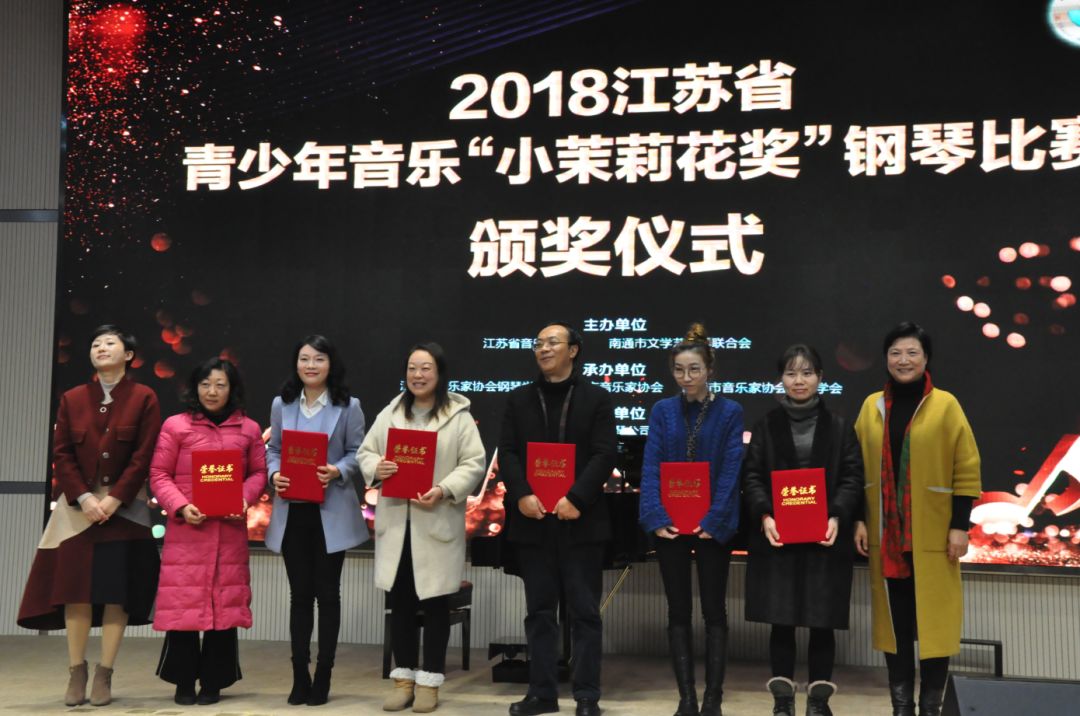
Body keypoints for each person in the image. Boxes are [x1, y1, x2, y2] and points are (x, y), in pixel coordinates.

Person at [18, 325, 161, 707]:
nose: (101, 348)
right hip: (76, 510)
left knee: (117, 594)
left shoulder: (144, 397)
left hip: (124, 509)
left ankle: (105, 672)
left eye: (110, 343)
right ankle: (76, 670)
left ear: (128, 355)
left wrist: (115, 499)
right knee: (75, 592)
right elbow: (62, 453)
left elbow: (144, 455)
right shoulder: (72, 398)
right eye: (96, 344)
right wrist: (83, 497)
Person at [853, 323, 981, 716]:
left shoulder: (945, 405)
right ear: (886, 359)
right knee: (896, 629)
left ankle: (930, 708)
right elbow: (855, 469)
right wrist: (859, 519)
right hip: (887, 537)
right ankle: (901, 707)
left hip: (935, 537)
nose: (903, 360)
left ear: (926, 358)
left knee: (934, 627)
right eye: (895, 352)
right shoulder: (872, 406)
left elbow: (966, 467)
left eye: (912, 352)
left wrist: (960, 525)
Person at [359, 342, 486, 713]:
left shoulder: (458, 416)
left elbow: (473, 463)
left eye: (426, 368)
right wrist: (377, 468)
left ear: (439, 373)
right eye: (412, 368)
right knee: (400, 604)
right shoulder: (390, 413)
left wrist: (444, 489)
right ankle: (403, 681)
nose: (418, 375)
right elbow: (366, 452)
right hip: (397, 526)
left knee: (434, 604)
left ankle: (430, 681)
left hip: (436, 523)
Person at [498, 322, 616, 716]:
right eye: (539, 344)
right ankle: (542, 693)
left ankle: (587, 696)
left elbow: (604, 453)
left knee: (585, 613)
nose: (544, 349)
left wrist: (576, 497)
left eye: (553, 343)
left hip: (581, 522)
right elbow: (508, 452)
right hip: (533, 521)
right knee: (540, 613)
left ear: (573, 350)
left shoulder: (596, 399)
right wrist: (522, 495)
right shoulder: (518, 399)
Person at [742, 344, 864, 716]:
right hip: (778, 537)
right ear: (781, 378)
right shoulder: (766, 425)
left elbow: (852, 477)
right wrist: (765, 515)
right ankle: (782, 702)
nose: (799, 380)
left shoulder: (839, 426)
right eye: (792, 373)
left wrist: (836, 515)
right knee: (781, 620)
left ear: (820, 378)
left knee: (821, 621)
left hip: (825, 537)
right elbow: (752, 475)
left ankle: (818, 702)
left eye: (807, 373)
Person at [638, 323, 745, 716]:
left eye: (694, 369)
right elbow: (651, 466)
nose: (686, 377)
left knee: (714, 611)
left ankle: (713, 698)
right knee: (678, 611)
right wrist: (655, 516)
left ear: (709, 370)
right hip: (670, 525)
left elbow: (732, 469)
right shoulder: (662, 410)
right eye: (679, 370)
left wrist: (715, 519)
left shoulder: (730, 411)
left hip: (712, 527)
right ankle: (686, 698)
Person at [149, 357, 268, 706]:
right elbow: (159, 474)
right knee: (183, 607)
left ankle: (214, 682)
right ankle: (183, 681)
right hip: (187, 531)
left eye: (220, 384)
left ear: (232, 389)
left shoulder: (248, 429)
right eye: (205, 384)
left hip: (228, 533)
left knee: (224, 607)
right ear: (194, 388)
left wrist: (243, 499)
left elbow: (258, 474)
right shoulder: (175, 426)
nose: (212, 391)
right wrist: (181, 506)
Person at [265, 335, 368, 706]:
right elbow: (273, 449)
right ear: (296, 364)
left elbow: (358, 453)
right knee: (299, 597)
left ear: (330, 364)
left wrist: (337, 470)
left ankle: (323, 674)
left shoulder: (349, 406)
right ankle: (299, 675)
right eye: (304, 359)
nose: (311, 365)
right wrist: (275, 473)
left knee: (328, 595)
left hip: (330, 512)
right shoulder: (282, 403)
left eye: (319, 359)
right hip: (293, 511)